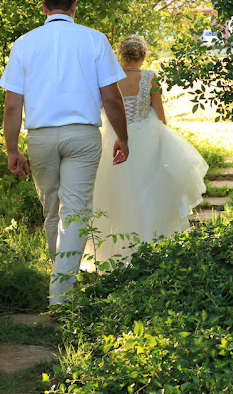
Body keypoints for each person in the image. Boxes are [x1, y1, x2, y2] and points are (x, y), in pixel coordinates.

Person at [0, 0, 129, 305]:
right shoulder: (95, 40)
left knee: (53, 208)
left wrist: (12, 150)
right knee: (75, 211)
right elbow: (111, 99)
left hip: (40, 137)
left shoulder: (24, 44)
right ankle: (61, 294)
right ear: (74, 6)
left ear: (44, 8)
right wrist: (123, 138)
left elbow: (13, 106)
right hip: (82, 135)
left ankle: (60, 282)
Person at [83, 35, 209, 270]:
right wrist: (165, 137)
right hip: (146, 139)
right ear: (143, 56)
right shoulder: (150, 77)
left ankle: (115, 256)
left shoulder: (110, 77)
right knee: (148, 193)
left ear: (121, 55)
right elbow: (160, 114)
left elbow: (100, 108)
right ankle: (150, 249)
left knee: (116, 195)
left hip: (114, 139)